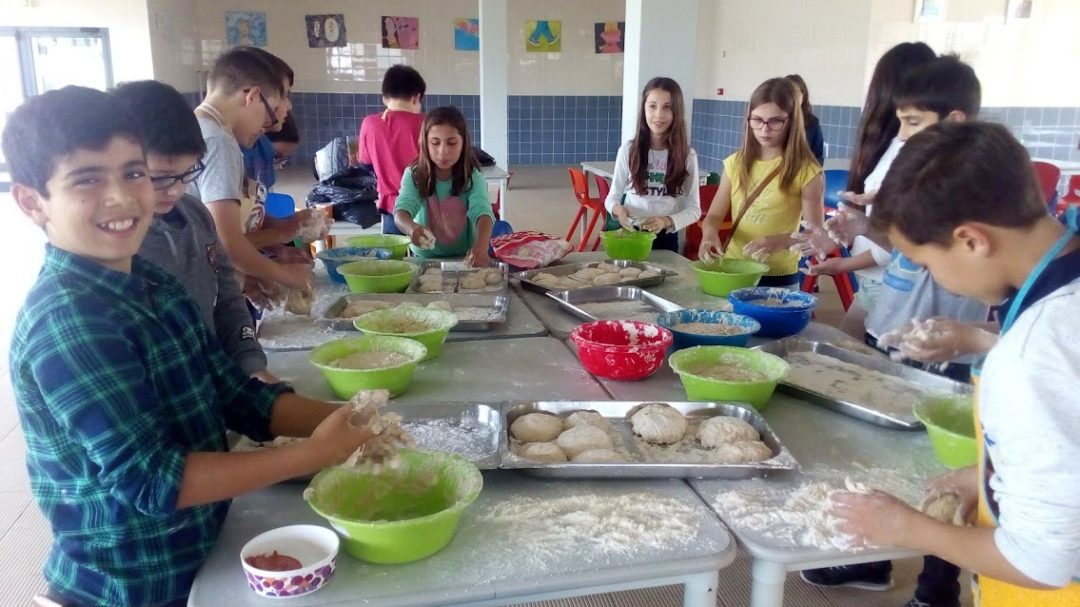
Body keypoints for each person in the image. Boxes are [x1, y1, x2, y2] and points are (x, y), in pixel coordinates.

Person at [2, 85, 374, 606]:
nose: (122, 196)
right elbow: (154, 480)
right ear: (31, 202)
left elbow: (235, 396)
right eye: (87, 179)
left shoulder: (156, 287)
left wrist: (356, 422)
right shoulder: (68, 321)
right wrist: (313, 453)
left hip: (198, 551)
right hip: (130, 584)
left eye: (134, 172)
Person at [830, 121, 1080, 607]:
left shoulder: (1031, 356)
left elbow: (1042, 562)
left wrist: (906, 527)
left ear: (970, 239)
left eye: (927, 263)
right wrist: (986, 472)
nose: (933, 276)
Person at [800, 56, 988, 607]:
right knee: (882, 452)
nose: (899, 136)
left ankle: (936, 587)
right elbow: (898, 244)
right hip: (900, 330)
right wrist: (861, 227)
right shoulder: (921, 171)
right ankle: (873, 558)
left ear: (953, 120)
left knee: (943, 473)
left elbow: (933, 247)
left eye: (911, 123)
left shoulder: (965, 182)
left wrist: (870, 225)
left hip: (943, 347)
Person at [111, 80, 277, 384]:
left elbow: (227, 297)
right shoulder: (118, 250)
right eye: (159, 178)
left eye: (188, 174)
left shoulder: (196, 216)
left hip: (207, 387)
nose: (175, 190)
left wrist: (251, 365)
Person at [801, 43, 936, 337]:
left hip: (901, 288)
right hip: (878, 281)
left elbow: (909, 248)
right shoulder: (892, 145)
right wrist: (841, 234)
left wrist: (847, 258)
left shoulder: (921, 158)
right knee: (846, 356)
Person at [188, 47, 312, 299]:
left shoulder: (199, 129)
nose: (273, 125)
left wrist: (248, 275)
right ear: (252, 96)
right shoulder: (219, 142)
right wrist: (290, 277)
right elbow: (226, 244)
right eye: (273, 109)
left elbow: (218, 228)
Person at [698, 78, 824, 287]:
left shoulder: (807, 171)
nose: (764, 129)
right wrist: (709, 234)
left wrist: (781, 241)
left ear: (792, 121)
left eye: (775, 121)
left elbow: (815, 234)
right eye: (757, 120)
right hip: (734, 269)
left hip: (778, 276)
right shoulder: (735, 163)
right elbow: (714, 215)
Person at [605, 77, 701, 253]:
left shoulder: (687, 155)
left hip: (665, 238)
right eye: (652, 106)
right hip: (631, 233)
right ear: (644, 109)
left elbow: (694, 210)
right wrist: (618, 209)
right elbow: (612, 197)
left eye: (667, 107)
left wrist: (666, 221)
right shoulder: (629, 150)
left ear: (676, 112)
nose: (658, 114)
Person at [394, 106, 496, 265]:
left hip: (464, 257)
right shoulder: (415, 175)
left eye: (452, 143)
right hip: (423, 259)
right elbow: (402, 211)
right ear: (425, 143)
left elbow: (482, 212)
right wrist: (411, 228)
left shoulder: (472, 176)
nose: (443, 151)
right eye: (435, 143)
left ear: (464, 143)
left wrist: (481, 247)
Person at [358, 64, 427, 235]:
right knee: (426, 254)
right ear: (416, 98)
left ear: (384, 98)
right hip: (424, 204)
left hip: (391, 205)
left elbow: (365, 163)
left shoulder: (369, 123)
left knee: (393, 257)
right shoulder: (427, 122)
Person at [785, 74, 824, 165]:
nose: (793, 98)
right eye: (789, 93)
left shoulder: (812, 122)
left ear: (803, 96)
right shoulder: (776, 120)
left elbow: (818, 155)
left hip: (803, 174)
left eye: (797, 94)